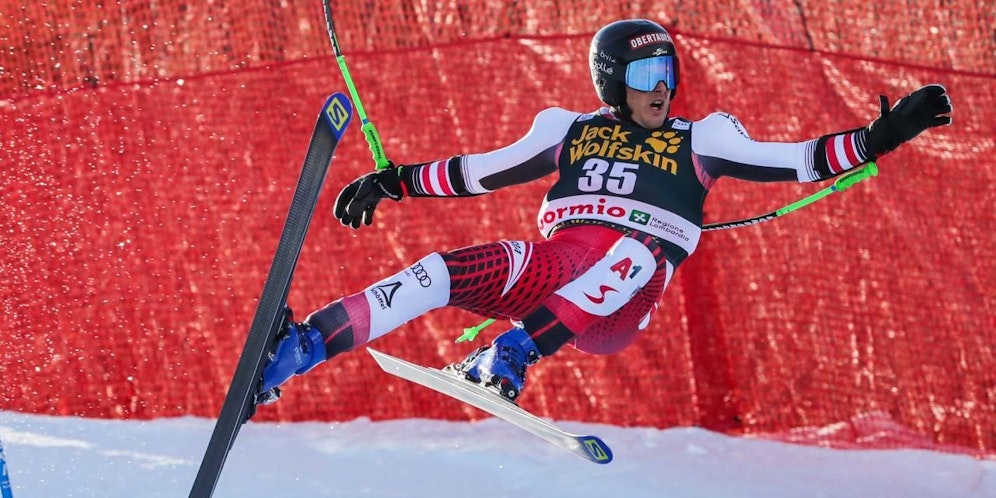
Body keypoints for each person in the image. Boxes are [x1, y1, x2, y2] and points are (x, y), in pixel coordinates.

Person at [256, 18, 953, 405]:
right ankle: (299, 350)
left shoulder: (703, 139)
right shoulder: (568, 129)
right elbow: (479, 172)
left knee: (635, 250)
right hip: (552, 273)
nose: (664, 90)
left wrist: (880, 137)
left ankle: (512, 356)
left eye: (670, 75)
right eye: (649, 78)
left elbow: (800, 160)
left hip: (620, 300)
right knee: (440, 271)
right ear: (613, 82)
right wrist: (395, 182)